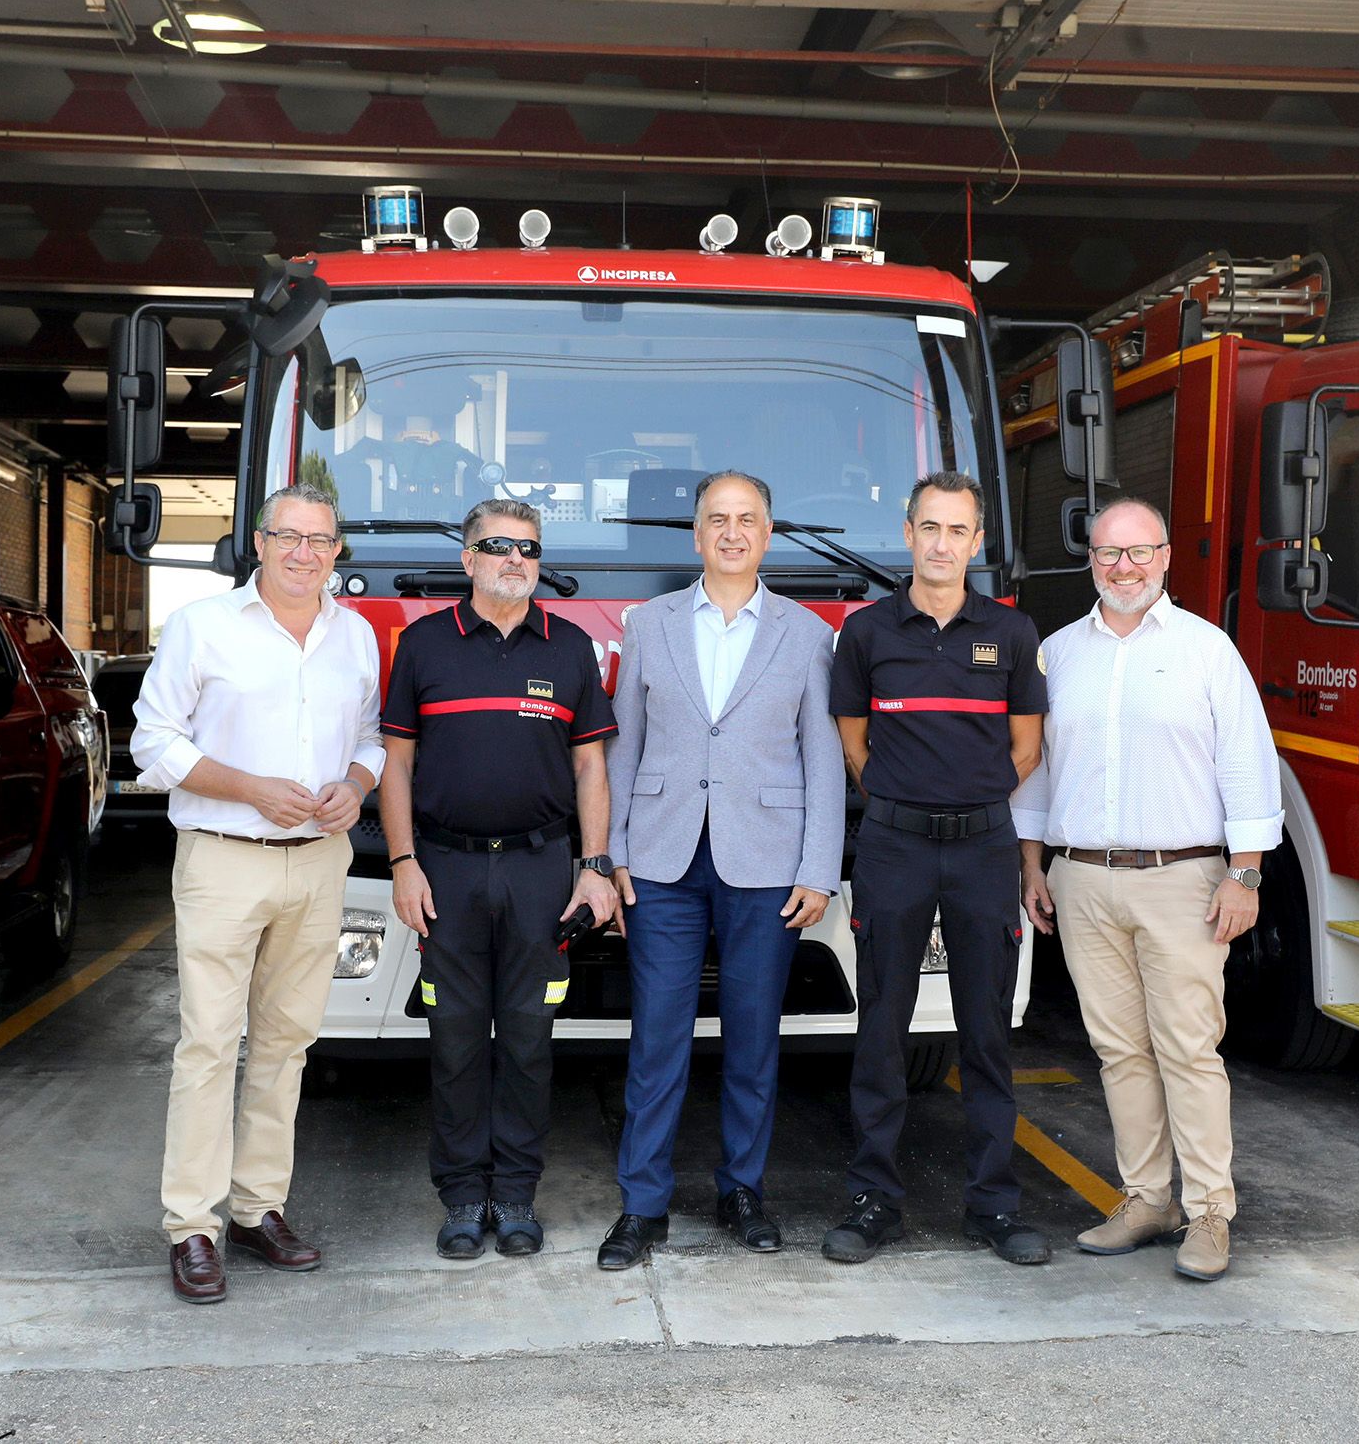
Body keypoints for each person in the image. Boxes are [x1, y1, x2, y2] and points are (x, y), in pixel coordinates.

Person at [1014, 496, 1282, 1283]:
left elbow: (1246, 762)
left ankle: (1209, 1212)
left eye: (1139, 552)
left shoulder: (1205, 649)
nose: (1123, 567)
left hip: (1183, 879)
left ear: (1164, 557)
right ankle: (1145, 1199)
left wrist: (1244, 873)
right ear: (1090, 560)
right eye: (1108, 552)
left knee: (1188, 1048)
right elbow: (1037, 767)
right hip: (1081, 877)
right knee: (1118, 1049)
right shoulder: (1057, 654)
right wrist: (1031, 864)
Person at [132, 482, 384, 1305]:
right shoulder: (203, 625)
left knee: (286, 1043)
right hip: (224, 858)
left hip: (318, 861)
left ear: (336, 552)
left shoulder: (353, 635)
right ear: (261, 543)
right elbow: (152, 741)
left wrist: (355, 784)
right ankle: (191, 1226)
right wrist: (248, 788)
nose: (304, 553)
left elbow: (372, 737)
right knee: (209, 1043)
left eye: (320, 540)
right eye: (289, 536)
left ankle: (256, 1207)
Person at [598, 471, 845, 1270]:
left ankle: (742, 1190)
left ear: (767, 534)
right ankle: (642, 1203)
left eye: (746, 519)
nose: (731, 532)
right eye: (717, 519)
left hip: (767, 861)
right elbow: (622, 745)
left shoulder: (807, 633)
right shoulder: (650, 624)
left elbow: (822, 760)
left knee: (752, 1039)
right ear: (697, 534)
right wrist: (613, 852)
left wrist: (818, 868)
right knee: (656, 1038)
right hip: (661, 859)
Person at [380, 499, 620, 1259]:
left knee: (527, 1042)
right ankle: (461, 1196)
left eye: (528, 548)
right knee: (454, 1041)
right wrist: (403, 862)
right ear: (467, 559)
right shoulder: (423, 645)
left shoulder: (570, 647)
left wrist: (593, 866)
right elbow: (396, 765)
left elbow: (590, 766)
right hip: (444, 870)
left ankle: (515, 1193)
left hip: (539, 872)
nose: (516, 559)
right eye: (498, 546)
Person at [825, 471, 1049, 1267]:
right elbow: (854, 746)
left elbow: (1027, 748)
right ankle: (873, 1201)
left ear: (976, 541)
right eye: (929, 527)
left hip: (983, 848)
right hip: (894, 848)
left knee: (985, 1031)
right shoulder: (865, 632)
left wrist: (966, 800)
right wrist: (908, 802)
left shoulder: (1011, 632)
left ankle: (993, 1206)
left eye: (957, 530)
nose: (942, 543)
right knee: (880, 1029)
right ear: (907, 533)